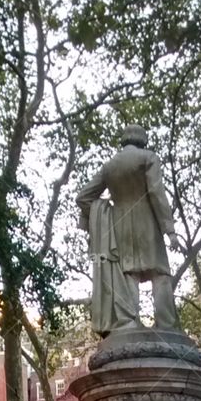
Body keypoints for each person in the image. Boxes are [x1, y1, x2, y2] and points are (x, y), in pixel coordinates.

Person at [77, 124, 182, 334]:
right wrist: (169, 230)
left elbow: (83, 197)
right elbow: (156, 193)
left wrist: (103, 215)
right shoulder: (148, 157)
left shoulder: (109, 166)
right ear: (142, 139)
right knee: (160, 273)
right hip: (148, 224)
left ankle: (129, 324)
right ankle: (167, 325)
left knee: (129, 274)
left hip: (119, 228)